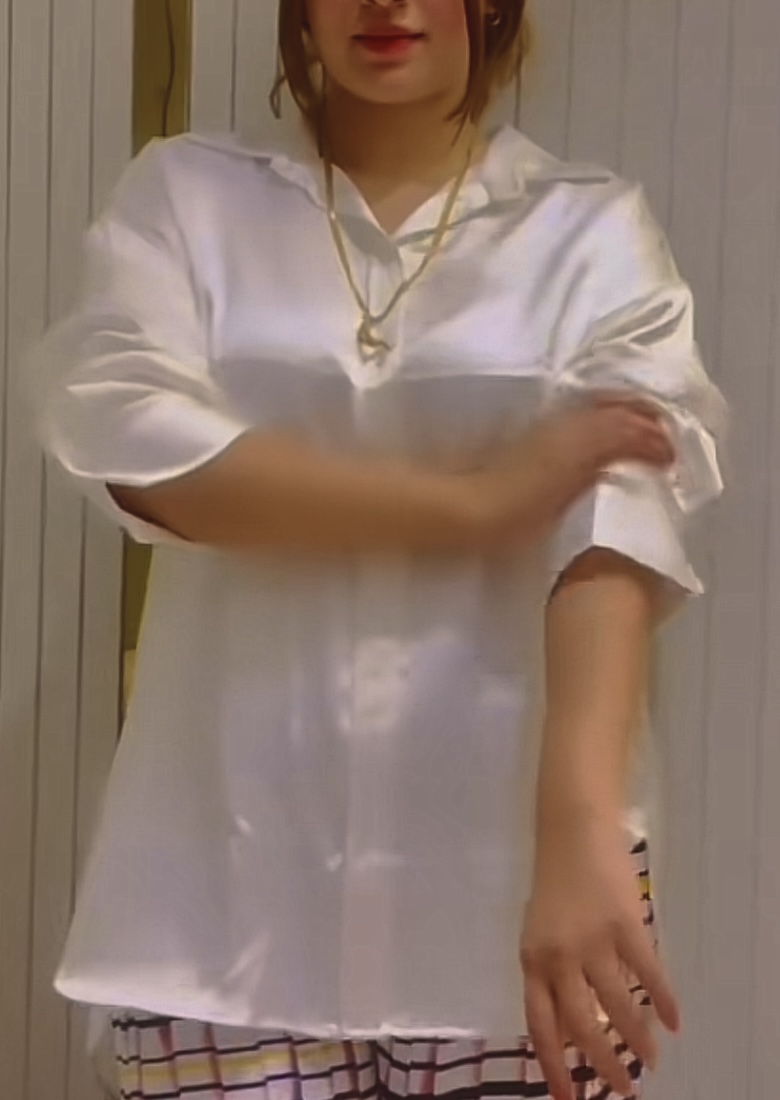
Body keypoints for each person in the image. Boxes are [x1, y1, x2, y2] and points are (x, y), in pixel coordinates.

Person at [32, 1, 726, 1098]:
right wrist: (474, 505)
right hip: (223, 892)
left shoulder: (589, 229)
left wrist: (582, 823)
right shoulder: (187, 197)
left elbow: (620, 514)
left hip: (516, 883)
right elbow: (136, 439)